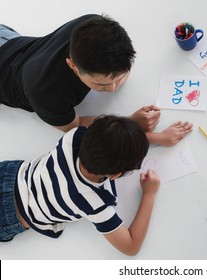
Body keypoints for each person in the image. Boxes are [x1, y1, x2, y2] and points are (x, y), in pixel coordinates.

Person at [0, 115, 187, 256]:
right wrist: (149, 195)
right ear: (115, 175)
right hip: (10, 216)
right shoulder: (93, 203)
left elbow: (107, 139)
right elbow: (130, 247)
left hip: (9, 174)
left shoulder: (74, 136)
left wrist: (158, 138)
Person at [0, 14, 192, 145]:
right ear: (72, 65)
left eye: (119, 76)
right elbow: (75, 128)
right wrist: (130, 124)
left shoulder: (94, 25)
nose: (113, 88)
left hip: (10, 40)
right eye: (102, 85)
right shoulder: (46, 93)